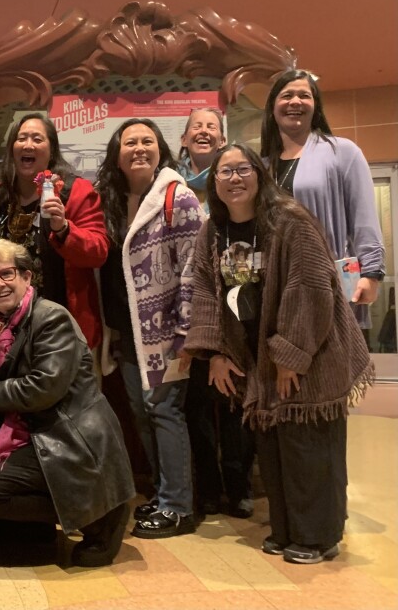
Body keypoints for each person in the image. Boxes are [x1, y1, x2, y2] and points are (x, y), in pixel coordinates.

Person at [184, 144, 373, 564]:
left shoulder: (290, 220)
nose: (234, 178)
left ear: (260, 174)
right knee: (272, 445)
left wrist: (292, 353)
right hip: (258, 357)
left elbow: (309, 288)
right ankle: (288, 529)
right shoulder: (213, 231)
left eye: (242, 169)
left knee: (308, 446)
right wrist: (215, 352)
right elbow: (203, 290)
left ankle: (318, 537)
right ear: (213, 183)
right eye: (224, 172)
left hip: (313, 349)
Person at [0, 239, 134, 567]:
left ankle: (101, 518)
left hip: (68, 436)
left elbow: (42, 388)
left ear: (26, 277)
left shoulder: (51, 319)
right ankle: (35, 530)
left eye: (6, 274)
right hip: (33, 432)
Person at [96, 118, 204, 538]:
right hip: (127, 334)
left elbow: (195, 269)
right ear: (116, 153)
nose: (139, 148)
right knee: (143, 413)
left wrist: (185, 331)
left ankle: (178, 507)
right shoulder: (112, 199)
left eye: (147, 141)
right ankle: (163, 496)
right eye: (130, 142)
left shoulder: (179, 198)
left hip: (166, 333)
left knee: (164, 410)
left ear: (160, 148)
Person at [176, 107, 254, 518]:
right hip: (189, 315)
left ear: (222, 140)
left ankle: (238, 486)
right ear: (185, 139)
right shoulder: (168, 184)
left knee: (236, 405)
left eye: (212, 127)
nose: (204, 132)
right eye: (196, 128)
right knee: (197, 408)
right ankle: (207, 488)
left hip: (237, 313)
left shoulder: (237, 184)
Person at [260, 69, 385, 324]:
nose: (295, 101)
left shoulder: (343, 152)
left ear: (315, 107)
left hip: (330, 282)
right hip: (276, 284)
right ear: (273, 107)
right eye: (287, 96)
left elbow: (364, 218)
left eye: (304, 95)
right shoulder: (262, 166)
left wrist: (372, 273)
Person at [0, 113, 109, 349]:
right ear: (13, 148)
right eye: (21, 138)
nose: (28, 145)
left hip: (64, 326)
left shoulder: (76, 191)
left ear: (52, 151)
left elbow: (99, 252)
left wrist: (63, 229)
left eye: (37, 139)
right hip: (8, 327)